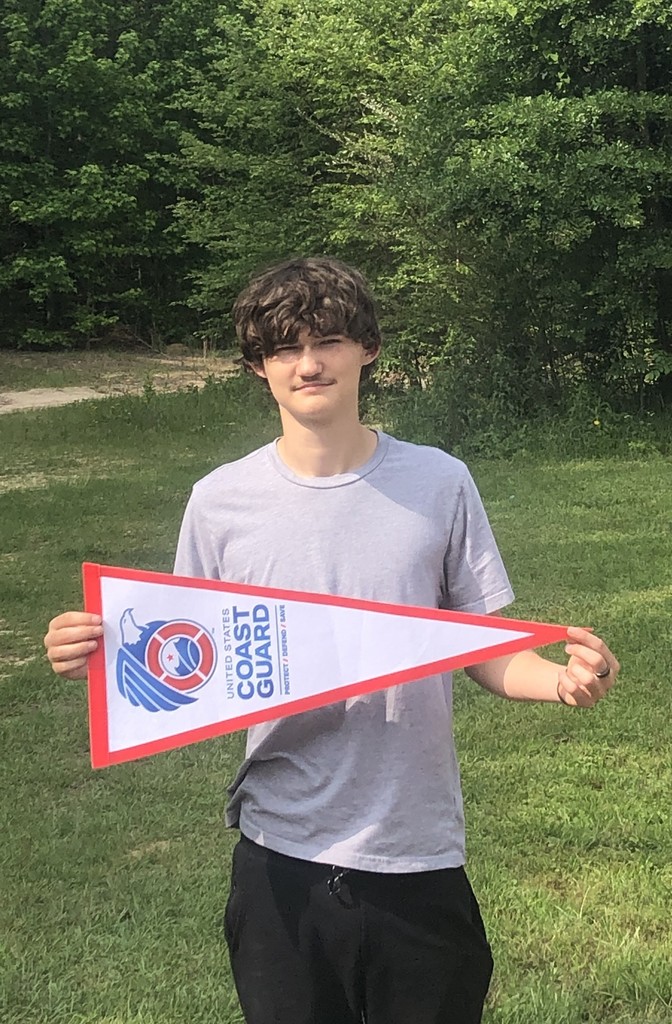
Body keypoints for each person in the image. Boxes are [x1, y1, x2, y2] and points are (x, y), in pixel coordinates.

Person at [44, 256, 619, 1024]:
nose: (308, 363)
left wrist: (559, 679)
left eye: (328, 340)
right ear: (258, 365)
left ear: (367, 349)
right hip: (280, 858)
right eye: (284, 347)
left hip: (416, 849)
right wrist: (94, 650)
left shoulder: (439, 483)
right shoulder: (219, 503)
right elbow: (187, 661)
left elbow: (479, 645)